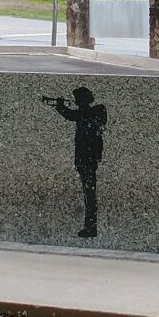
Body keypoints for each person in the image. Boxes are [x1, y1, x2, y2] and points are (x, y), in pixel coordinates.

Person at [53, 87, 107, 238]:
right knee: (88, 193)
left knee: (90, 194)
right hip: (84, 159)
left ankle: (91, 227)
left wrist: (62, 107)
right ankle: (90, 226)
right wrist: (60, 107)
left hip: (89, 158)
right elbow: (71, 115)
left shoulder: (98, 110)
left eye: (79, 100)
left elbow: (77, 115)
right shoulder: (87, 113)